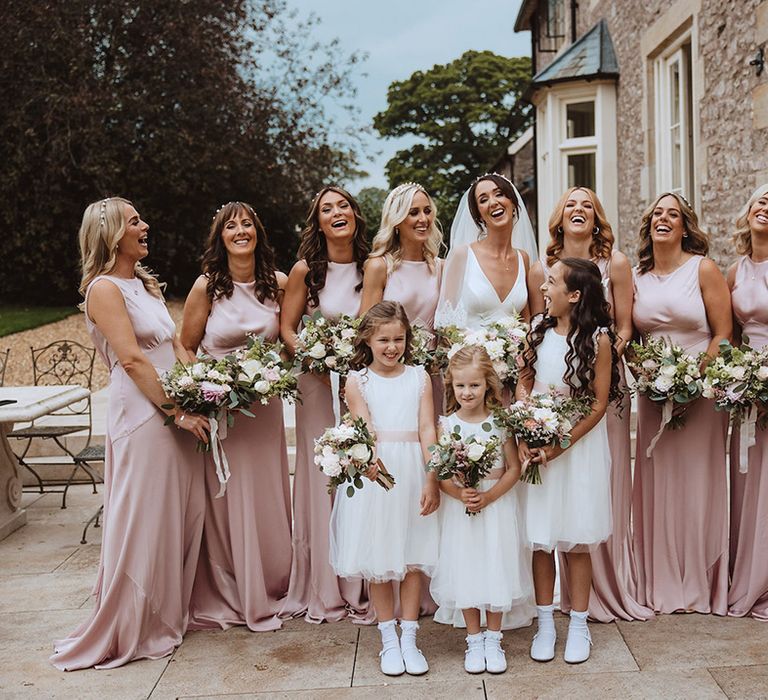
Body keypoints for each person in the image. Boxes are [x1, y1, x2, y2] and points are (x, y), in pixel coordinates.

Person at [51, 197, 207, 670]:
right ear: (113, 233)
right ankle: (135, 619)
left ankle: (168, 610)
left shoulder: (144, 284)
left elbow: (176, 344)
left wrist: (210, 390)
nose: (146, 225)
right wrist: (177, 413)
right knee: (145, 515)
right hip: (143, 415)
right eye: (135, 220)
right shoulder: (103, 289)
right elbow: (133, 359)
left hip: (175, 403)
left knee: (179, 511)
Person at [527, 187, 650, 622]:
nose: (579, 210)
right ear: (558, 217)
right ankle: (547, 616)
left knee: (584, 508)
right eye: (570, 204)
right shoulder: (542, 277)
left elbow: (624, 328)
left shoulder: (614, 264)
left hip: (593, 396)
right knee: (541, 526)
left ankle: (592, 606)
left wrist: (595, 363)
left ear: (597, 217)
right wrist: (531, 417)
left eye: (588, 205)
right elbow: (532, 353)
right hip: (545, 414)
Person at [180, 201, 292, 632]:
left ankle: (274, 579)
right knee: (231, 497)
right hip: (224, 410)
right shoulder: (207, 286)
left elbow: (286, 340)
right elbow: (185, 346)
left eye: (247, 224)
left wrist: (271, 372)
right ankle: (235, 585)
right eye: (231, 226)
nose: (241, 230)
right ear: (221, 237)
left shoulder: (277, 284)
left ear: (258, 233)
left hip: (263, 409)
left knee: (267, 492)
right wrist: (206, 385)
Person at [631, 192, 732, 615]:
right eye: (657, 212)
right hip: (653, 393)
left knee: (698, 484)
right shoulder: (636, 275)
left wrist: (693, 376)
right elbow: (629, 339)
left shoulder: (703, 269)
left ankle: (699, 581)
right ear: (648, 224)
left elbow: (724, 333)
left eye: (673, 214)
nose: (664, 218)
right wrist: (649, 373)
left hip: (701, 395)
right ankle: (658, 579)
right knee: (658, 484)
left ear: (686, 226)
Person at [330, 301, 440, 676]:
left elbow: (427, 428)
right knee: (379, 562)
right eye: (383, 340)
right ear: (368, 340)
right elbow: (364, 430)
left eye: (399, 339)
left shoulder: (420, 377)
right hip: (378, 475)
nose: (392, 347)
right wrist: (373, 464)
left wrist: (431, 475)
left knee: (411, 557)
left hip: (413, 469)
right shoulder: (357, 381)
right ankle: (388, 639)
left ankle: (409, 636)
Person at [518, 258, 619, 664]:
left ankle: (578, 625)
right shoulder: (537, 331)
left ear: (574, 295)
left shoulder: (599, 340)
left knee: (576, 540)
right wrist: (525, 419)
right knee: (541, 539)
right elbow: (524, 380)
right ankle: (545, 624)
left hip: (577, 446)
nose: (543, 288)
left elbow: (597, 405)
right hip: (537, 440)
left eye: (552, 282)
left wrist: (560, 444)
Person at [279, 186, 370, 623]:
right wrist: (315, 355)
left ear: (355, 214)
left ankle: (365, 575)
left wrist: (349, 361)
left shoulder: (372, 267)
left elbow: (375, 325)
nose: (337, 212)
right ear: (317, 223)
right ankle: (323, 581)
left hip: (359, 381)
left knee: (360, 468)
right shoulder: (304, 271)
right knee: (321, 477)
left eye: (344, 205)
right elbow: (288, 328)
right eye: (326, 209)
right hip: (315, 381)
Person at [430, 345, 534, 674]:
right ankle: (473, 640)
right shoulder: (446, 425)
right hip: (462, 508)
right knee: (467, 567)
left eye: (474, 385)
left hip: (496, 504)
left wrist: (489, 498)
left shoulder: (499, 423)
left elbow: (514, 469)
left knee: (495, 565)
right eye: (460, 385)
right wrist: (460, 494)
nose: (467, 392)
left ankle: (493, 638)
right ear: (451, 386)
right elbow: (440, 472)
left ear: (488, 384)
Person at [360, 181, 443, 418]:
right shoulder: (379, 266)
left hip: (431, 375)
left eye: (427, 211)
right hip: (389, 373)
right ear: (396, 221)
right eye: (413, 212)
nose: (423, 219)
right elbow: (366, 328)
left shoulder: (441, 268)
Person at [726, 183, 768, 619]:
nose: (767, 207)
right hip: (747, 388)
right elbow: (732, 336)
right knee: (748, 480)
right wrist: (732, 377)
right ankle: (749, 575)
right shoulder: (734, 272)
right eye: (760, 199)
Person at [435, 173, 536, 330]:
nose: (493, 202)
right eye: (483, 200)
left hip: (516, 354)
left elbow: (525, 321)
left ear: (513, 204)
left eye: (499, 194)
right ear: (479, 216)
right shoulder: (462, 255)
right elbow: (446, 326)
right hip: (468, 352)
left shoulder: (523, 258)